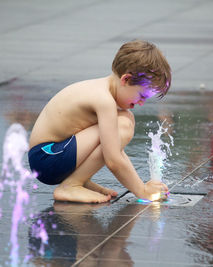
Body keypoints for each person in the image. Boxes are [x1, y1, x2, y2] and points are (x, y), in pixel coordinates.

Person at [28, 40, 171, 203]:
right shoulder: (104, 100)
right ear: (125, 79)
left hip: (51, 155)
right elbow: (113, 160)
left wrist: (139, 185)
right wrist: (143, 191)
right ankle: (71, 185)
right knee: (123, 124)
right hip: (46, 158)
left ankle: (78, 181)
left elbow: (114, 148)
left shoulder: (101, 90)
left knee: (124, 121)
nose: (141, 103)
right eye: (142, 96)